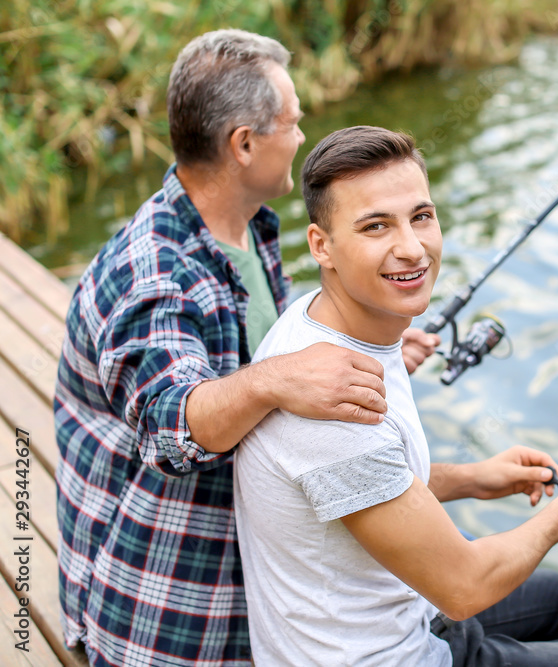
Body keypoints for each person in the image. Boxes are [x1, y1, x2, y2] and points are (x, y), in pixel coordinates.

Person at [54, 31, 438, 667]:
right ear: (244, 144)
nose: (301, 133)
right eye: (293, 120)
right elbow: (168, 425)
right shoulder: (153, 272)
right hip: (171, 606)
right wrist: (275, 380)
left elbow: (278, 364)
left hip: (264, 563)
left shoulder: (248, 225)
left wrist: (370, 352)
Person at [233, 126, 558, 666]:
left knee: (554, 599)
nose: (412, 248)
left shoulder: (317, 320)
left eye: (421, 216)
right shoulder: (338, 416)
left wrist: (472, 479)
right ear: (323, 246)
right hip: (387, 654)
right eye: (376, 226)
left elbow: (361, 489)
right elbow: (463, 587)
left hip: (404, 611)